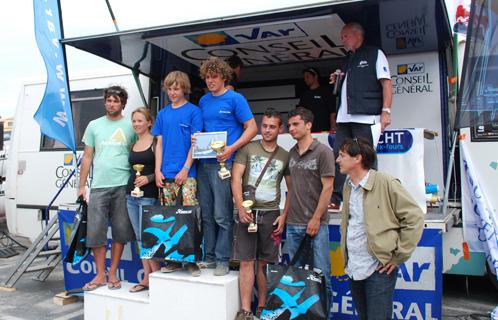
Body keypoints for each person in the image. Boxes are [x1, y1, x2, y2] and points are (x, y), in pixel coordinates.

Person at [336, 138, 424, 320]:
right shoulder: (347, 185)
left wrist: (399, 256)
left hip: (379, 268)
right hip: (354, 268)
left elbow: (414, 217)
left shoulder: (385, 182)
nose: (337, 160)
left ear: (357, 159)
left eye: (342, 156)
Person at [197, 57, 257, 276]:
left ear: (224, 76)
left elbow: (251, 128)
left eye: (214, 77)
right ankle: (210, 258)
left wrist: (232, 148)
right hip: (203, 163)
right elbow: (203, 130)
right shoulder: (203, 101)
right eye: (207, 77)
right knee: (206, 214)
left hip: (224, 164)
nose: (210, 81)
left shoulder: (235, 99)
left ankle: (223, 259)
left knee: (222, 214)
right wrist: (197, 140)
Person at [232, 108, 291, 320]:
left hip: (271, 214)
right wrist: (240, 206)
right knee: (247, 261)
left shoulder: (285, 155)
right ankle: (246, 310)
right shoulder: (248, 148)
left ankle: (263, 308)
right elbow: (235, 178)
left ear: (280, 129)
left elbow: (291, 189)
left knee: (265, 264)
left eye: (272, 127)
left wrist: (283, 215)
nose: (267, 130)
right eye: (264, 126)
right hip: (247, 213)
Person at [328, 22, 393, 211]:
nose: (342, 40)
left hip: (365, 116)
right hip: (344, 117)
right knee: (339, 155)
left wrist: (386, 112)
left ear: (358, 35)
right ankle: (337, 197)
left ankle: (371, 197)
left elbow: (387, 84)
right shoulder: (348, 58)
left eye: (345, 36)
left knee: (365, 156)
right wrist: (338, 79)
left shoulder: (375, 53)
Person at [78, 85, 136, 291]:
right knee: (95, 233)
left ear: (123, 104)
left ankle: (113, 273)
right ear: (105, 102)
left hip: (123, 184)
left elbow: (138, 152)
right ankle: (100, 274)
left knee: (121, 232)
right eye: (109, 100)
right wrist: (81, 185)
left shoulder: (132, 125)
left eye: (116, 101)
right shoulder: (94, 125)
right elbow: (87, 156)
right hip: (99, 186)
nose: (111, 104)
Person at [152, 71, 203, 276]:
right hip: (166, 175)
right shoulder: (163, 114)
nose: (172, 93)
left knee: (188, 217)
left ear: (184, 88)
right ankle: (173, 260)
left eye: (176, 88)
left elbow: (196, 143)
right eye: (169, 89)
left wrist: (185, 168)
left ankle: (191, 261)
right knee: (169, 218)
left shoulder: (194, 111)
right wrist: (157, 170)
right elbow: (160, 143)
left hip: (187, 174)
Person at [286, 107, 335, 316]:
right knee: (296, 278)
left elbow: (329, 188)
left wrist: (315, 218)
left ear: (309, 125)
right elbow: (290, 189)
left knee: (322, 276)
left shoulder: (323, 152)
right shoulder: (291, 153)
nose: (291, 129)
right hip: (293, 223)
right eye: (289, 125)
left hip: (317, 224)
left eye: (295, 124)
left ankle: (326, 315)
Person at [126, 107, 159, 293]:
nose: (137, 124)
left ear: (149, 122)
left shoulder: (156, 142)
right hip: (130, 195)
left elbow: (162, 168)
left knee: (149, 238)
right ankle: (147, 278)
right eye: (134, 121)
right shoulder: (132, 144)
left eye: (140, 120)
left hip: (149, 195)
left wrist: (149, 178)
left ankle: (156, 276)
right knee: (139, 239)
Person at [299, 67, 336, 132]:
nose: (305, 79)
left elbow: (332, 111)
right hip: (308, 130)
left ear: (315, 76)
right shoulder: (304, 94)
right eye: (304, 77)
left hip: (324, 130)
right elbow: (301, 114)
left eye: (307, 77)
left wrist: (333, 128)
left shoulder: (326, 91)